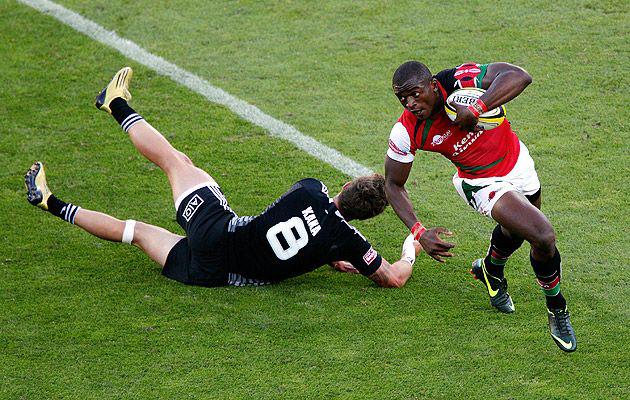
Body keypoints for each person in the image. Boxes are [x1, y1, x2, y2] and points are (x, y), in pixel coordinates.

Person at [25, 67, 420, 290]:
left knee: (176, 161)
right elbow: (393, 278)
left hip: (217, 230)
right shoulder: (348, 241)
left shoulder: (313, 189)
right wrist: (407, 251)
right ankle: (49, 202)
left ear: (347, 186)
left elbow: (300, 217)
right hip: (215, 274)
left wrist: (331, 251)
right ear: (364, 219)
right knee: (137, 232)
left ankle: (115, 103)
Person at [384, 61, 577, 352]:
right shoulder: (406, 130)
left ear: (433, 86)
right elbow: (392, 185)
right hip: (480, 182)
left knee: (518, 232)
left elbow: (519, 76)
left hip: (516, 160)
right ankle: (557, 309)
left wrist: (477, 107)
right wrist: (419, 231)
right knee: (543, 235)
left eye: (415, 94)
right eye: (403, 98)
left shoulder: (460, 80)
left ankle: (490, 269)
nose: (410, 103)